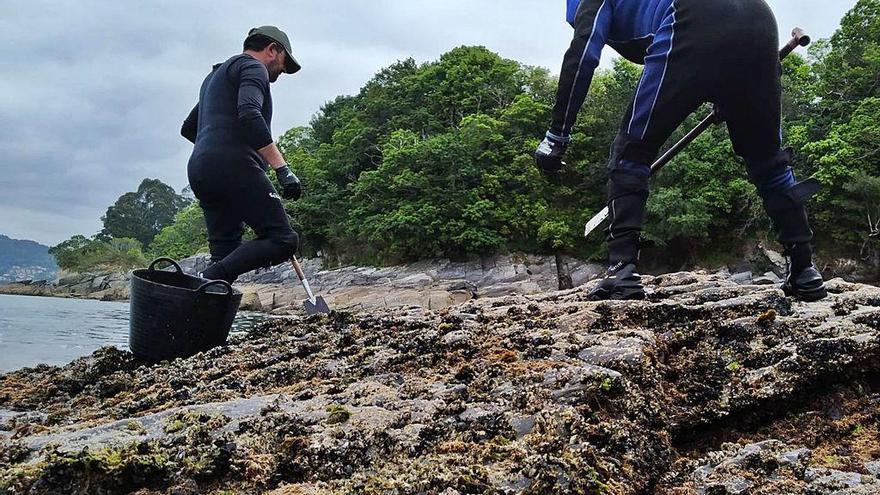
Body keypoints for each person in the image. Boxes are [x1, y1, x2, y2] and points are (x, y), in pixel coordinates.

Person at [535, 0, 827, 301]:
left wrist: (557, 135)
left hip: (690, 14)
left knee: (631, 152)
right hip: (759, 18)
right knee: (770, 162)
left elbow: (583, 54)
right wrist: (728, 88)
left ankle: (621, 271)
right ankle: (805, 271)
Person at [181, 26, 303, 284]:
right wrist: (282, 169)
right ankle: (201, 282)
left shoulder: (214, 79)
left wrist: (217, 153)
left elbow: (189, 128)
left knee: (226, 255)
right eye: (284, 62)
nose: (282, 71)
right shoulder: (252, 68)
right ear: (272, 49)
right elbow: (249, 113)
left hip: (201, 170)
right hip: (233, 166)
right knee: (282, 239)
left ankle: (198, 318)